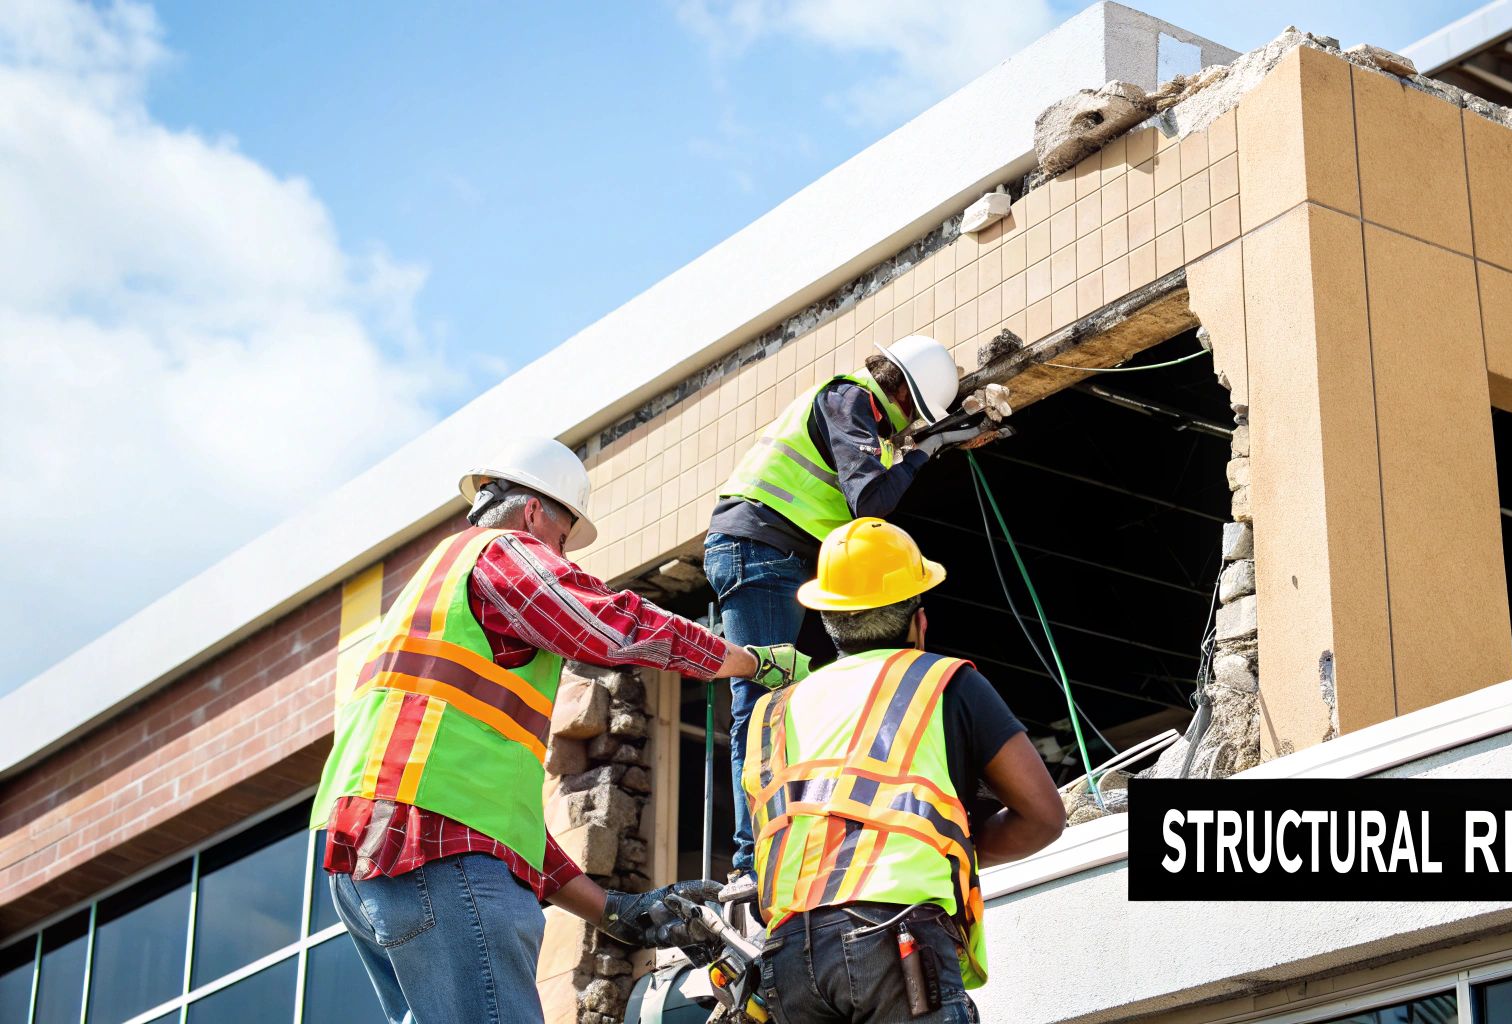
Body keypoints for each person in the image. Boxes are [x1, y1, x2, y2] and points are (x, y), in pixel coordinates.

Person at [310, 437, 810, 1024]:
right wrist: (751, 663)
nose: (564, 558)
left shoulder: (433, 605)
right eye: (564, 539)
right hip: (430, 859)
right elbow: (613, 626)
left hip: (378, 863)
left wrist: (612, 909)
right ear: (532, 513)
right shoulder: (501, 551)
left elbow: (498, 830)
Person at [740, 518, 1066, 1022]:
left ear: (828, 618)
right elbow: (1042, 816)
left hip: (786, 958)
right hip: (894, 939)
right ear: (919, 620)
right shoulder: (942, 681)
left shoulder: (772, 714)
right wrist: (944, 847)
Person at [709, 335, 991, 901]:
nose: (905, 431)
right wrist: (923, 451)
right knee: (760, 704)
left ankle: (760, 849)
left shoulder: (856, 415)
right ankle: (749, 859)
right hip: (759, 551)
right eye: (915, 419)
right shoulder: (849, 400)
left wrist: (921, 447)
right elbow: (870, 503)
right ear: (906, 400)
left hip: (770, 554)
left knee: (777, 700)